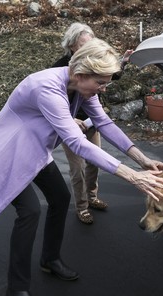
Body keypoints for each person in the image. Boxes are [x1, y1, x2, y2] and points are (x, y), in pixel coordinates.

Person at [0, 38, 163, 296]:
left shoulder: (82, 88)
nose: (103, 89)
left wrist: (143, 159)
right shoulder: (46, 87)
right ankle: (16, 289)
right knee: (29, 212)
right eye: (100, 83)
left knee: (61, 198)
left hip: (35, 150)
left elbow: (104, 123)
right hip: (10, 152)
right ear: (80, 74)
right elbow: (76, 142)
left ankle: (49, 259)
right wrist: (132, 176)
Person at [53, 22, 134, 224]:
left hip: (91, 123)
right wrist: (70, 119)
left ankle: (92, 197)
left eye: (91, 44)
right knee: (77, 168)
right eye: (83, 45)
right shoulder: (58, 68)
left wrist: (122, 62)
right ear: (71, 45)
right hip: (69, 126)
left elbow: (110, 75)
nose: (89, 50)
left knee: (94, 163)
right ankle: (82, 207)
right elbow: (51, 106)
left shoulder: (94, 65)